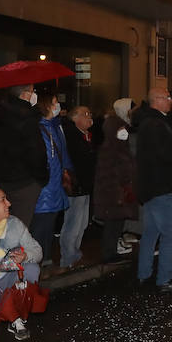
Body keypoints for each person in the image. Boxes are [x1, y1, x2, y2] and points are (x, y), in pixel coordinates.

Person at [131, 87, 172, 292]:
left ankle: (143, 274)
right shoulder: (156, 123)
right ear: (157, 100)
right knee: (169, 234)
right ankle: (164, 279)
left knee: (151, 232)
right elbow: (166, 154)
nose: (170, 100)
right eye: (167, 97)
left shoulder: (150, 121)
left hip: (152, 186)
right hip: (161, 186)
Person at [0, 189, 44, 340]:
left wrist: (25, 256)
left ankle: (16, 316)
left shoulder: (14, 225)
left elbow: (37, 251)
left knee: (32, 270)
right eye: (3, 200)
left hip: (6, 280)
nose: (9, 203)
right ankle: (5, 311)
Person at [0, 84, 48, 224]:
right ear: (25, 94)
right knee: (21, 227)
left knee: (4, 224)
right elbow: (37, 152)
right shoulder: (28, 117)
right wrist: (41, 179)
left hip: (3, 180)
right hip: (26, 182)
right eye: (32, 91)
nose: (34, 94)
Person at [94, 98, 138, 264]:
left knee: (116, 223)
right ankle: (109, 253)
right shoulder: (113, 147)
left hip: (117, 190)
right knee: (113, 223)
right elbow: (117, 170)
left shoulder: (117, 145)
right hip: (114, 191)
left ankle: (111, 251)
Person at [31, 95, 72, 268]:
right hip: (46, 187)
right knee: (41, 226)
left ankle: (46, 258)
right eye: (54, 103)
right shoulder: (40, 129)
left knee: (49, 225)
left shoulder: (54, 126)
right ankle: (36, 263)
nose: (58, 105)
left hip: (54, 185)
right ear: (46, 106)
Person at [59, 105, 95, 270]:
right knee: (73, 223)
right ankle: (68, 258)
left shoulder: (85, 136)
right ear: (75, 118)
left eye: (90, 113)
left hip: (85, 185)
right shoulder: (71, 136)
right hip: (76, 186)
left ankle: (75, 254)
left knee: (82, 223)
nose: (89, 117)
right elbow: (79, 161)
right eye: (85, 114)